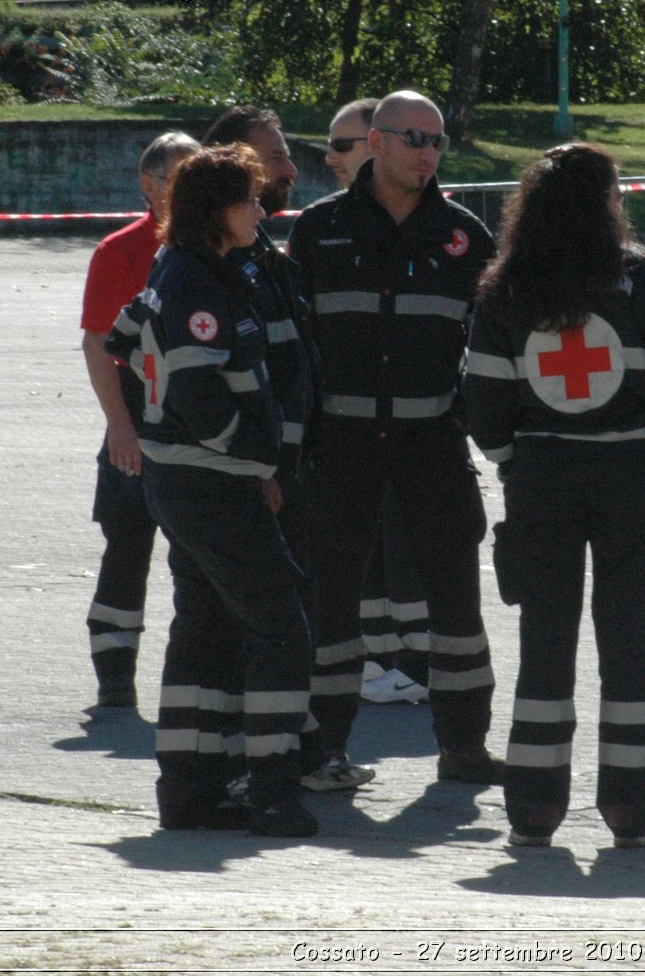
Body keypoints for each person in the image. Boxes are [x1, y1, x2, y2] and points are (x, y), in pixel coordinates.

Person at [464, 143, 645, 848]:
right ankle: (632, 811)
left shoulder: (505, 285)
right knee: (632, 643)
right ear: (603, 202)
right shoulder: (638, 280)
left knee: (544, 645)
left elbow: (482, 401)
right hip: (633, 479)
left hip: (542, 481)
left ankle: (534, 809)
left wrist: (513, 459)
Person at [287, 90, 502, 784]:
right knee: (333, 603)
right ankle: (326, 749)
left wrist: (476, 420)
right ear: (374, 143)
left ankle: (465, 748)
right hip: (341, 447)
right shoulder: (319, 230)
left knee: (456, 603)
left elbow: (495, 347)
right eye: (412, 137)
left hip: (431, 445)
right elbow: (294, 345)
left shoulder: (465, 234)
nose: (426, 152)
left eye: (437, 141)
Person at [104, 144, 317, 838]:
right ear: (217, 210)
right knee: (282, 631)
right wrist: (258, 460)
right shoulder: (199, 281)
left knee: (203, 627)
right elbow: (200, 395)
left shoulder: (187, 270)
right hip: (212, 483)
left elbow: (125, 334)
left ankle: (190, 790)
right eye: (250, 200)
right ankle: (275, 792)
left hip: (185, 480)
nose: (261, 210)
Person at [202, 107, 376, 792]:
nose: (290, 169)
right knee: (251, 623)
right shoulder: (218, 268)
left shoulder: (264, 257)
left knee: (290, 616)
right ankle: (251, 765)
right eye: (273, 158)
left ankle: (297, 753)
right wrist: (264, 468)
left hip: (289, 470)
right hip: (253, 478)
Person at [78, 130, 200, 709]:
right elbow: (99, 347)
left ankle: (199, 680)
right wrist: (121, 429)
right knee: (127, 551)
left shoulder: (227, 248)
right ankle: (115, 682)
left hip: (201, 429)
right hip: (137, 426)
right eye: (177, 177)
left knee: (199, 559)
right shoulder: (120, 252)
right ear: (148, 187)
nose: (188, 188)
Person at [326, 97, 437, 704]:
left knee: (409, 556)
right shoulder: (320, 232)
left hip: (420, 438)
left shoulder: (448, 233)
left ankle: (418, 666)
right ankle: (375, 660)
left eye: (342, 145)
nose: (331, 157)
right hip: (346, 440)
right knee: (363, 559)